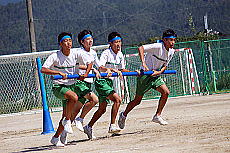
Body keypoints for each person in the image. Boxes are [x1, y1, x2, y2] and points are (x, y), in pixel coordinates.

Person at [41, 32, 98, 146]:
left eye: (70, 41)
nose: (69, 43)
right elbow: (43, 69)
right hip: (59, 87)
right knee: (74, 97)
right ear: (60, 44)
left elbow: (90, 62)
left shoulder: (75, 53)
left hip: (71, 86)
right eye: (66, 41)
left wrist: (86, 73)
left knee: (66, 113)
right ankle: (68, 121)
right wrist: (57, 72)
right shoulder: (55, 56)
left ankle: (56, 137)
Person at [118, 29, 177, 129]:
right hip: (145, 75)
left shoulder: (172, 51)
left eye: (174, 40)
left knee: (166, 92)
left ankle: (157, 115)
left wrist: (159, 72)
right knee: (137, 101)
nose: (173, 42)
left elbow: (165, 66)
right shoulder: (157, 46)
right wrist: (143, 63)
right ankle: (123, 114)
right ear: (164, 40)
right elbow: (141, 48)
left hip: (155, 75)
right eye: (170, 40)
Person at [83, 32, 130, 139]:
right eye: (115, 42)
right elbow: (101, 67)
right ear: (110, 43)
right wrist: (112, 69)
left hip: (109, 82)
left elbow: (122, 69)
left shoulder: (120, 54)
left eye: (119, 42)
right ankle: (112, 125)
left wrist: (134, 72)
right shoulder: (106, 53)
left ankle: (89, 127)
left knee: (102, 109)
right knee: (117, 100)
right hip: (102, 81)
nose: (118, 45)